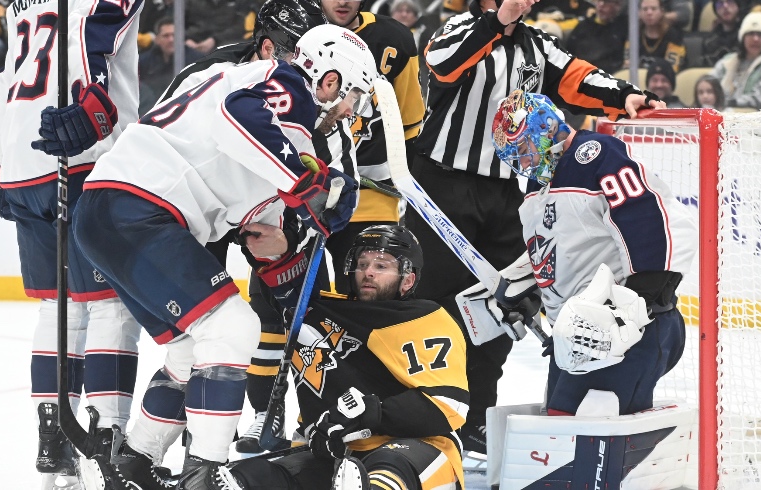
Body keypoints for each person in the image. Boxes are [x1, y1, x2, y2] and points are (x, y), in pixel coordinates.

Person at [71, 24, 374, 489]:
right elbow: (239, 121)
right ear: (329, 80)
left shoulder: (288, 131)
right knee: (233, 327)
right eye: (352, 95)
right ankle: (205, 473)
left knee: (191, 351)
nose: (351, 111)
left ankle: (131, 463)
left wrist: (315, 213)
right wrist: (308, 185)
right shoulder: (285, 82)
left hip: (120, 212)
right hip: (137, 207)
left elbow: (278, 219)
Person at [410, 0, 664, 466]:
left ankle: (476, 417)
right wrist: (498, 21)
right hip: (442, 185)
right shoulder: (459, 28)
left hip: (508, 193)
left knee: (499, 307)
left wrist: (624, 95)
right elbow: (444, 66)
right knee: (430, 301)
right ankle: (421, 415)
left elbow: (577, 77)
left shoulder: (536, 45)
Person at [147, 0, 351, 457]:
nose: (310, 63)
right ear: (266, 45)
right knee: (200, 328)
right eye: (298, 50)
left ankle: (295, 413)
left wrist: (322, 201)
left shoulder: (316, 81)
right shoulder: (212, 73)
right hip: (203, 203)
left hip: (268, 199)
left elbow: (333, 161)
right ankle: (192, 438)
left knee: (297, 299)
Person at [0, 0, 145, 487]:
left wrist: (3, 168)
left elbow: (6, 79)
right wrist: (91, 109)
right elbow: (95, 34)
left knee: (58, 309)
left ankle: (52, 434)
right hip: (80, 149)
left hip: (21, 163)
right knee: (113, 305)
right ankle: (106, 438)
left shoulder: (16, 5)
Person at [199, 224, 470, 490]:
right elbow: (278, 276)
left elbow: (447, 404)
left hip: (419, 448)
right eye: (362, 264)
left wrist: (366, 414)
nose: (368, 273)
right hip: (336, 452)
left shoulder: (424, 318)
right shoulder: (314, 311)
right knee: (250, 476)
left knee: (385, 470)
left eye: (381, 266)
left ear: (408, 279)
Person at [490, 89, 696, 417]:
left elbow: (658, 219)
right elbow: (553, 249)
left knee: (594, 438)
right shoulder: (537, 186)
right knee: (560, 432)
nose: (524, 163)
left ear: (547, 130)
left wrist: (635, 305)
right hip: (575, 338)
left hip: (629, 331)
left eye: (525, 150)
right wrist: (521, 288)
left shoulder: (596, 155)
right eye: (515, 157)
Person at [319, 0, 425, 297]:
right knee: (292, 312)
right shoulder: (294, 31)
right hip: (303, 199)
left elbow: (409, 122)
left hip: (371, 200)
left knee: (368, 304)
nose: (343, 2)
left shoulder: (394, 39)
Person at [711, 11, 761, 109]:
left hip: (758, 118)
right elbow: (709, 84)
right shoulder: (728, 61)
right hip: (724, 113)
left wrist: (730, 102)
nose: (755, 39)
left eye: (760, 34)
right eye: (751, 33)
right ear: (742, 37)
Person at [565, 0, 629, 75]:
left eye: (606, 2)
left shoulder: (625, 27)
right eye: (599, 1)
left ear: (618, 5)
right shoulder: (583, 27)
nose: (601, 5)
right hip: (582, 76)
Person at [626, 0, 686, 72]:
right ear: (639, 13)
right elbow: (627, 64)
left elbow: (672, 68)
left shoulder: (674, 35)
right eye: (645, 9)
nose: (649, 13)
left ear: (662, 12)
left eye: (653, 9)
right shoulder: (634, 34)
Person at [137, 16, 174, 115]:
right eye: (166, 36)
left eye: (174, 35)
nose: (171, 39)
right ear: (157, 39)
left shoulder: (195, 60)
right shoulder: (143, 62)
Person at [700, 0, 744, 67]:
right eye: (720, 3)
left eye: (730, 2)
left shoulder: (746, 36)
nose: (725, 6)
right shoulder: (709, 41)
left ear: (738, 6)